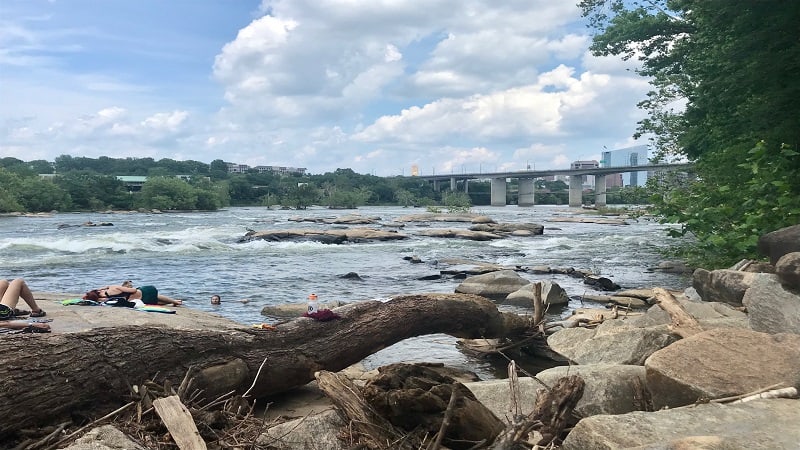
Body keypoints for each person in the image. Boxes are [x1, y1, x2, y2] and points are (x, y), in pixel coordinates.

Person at [83, 284, 183, 306]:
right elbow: (133, 290)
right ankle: (175, 301)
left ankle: (174, 302)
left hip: (139, 301)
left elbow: (88, 297)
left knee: (156, 302)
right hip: (142, 293)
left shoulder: (102, 299)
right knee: (156, 296)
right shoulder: (114, 287)